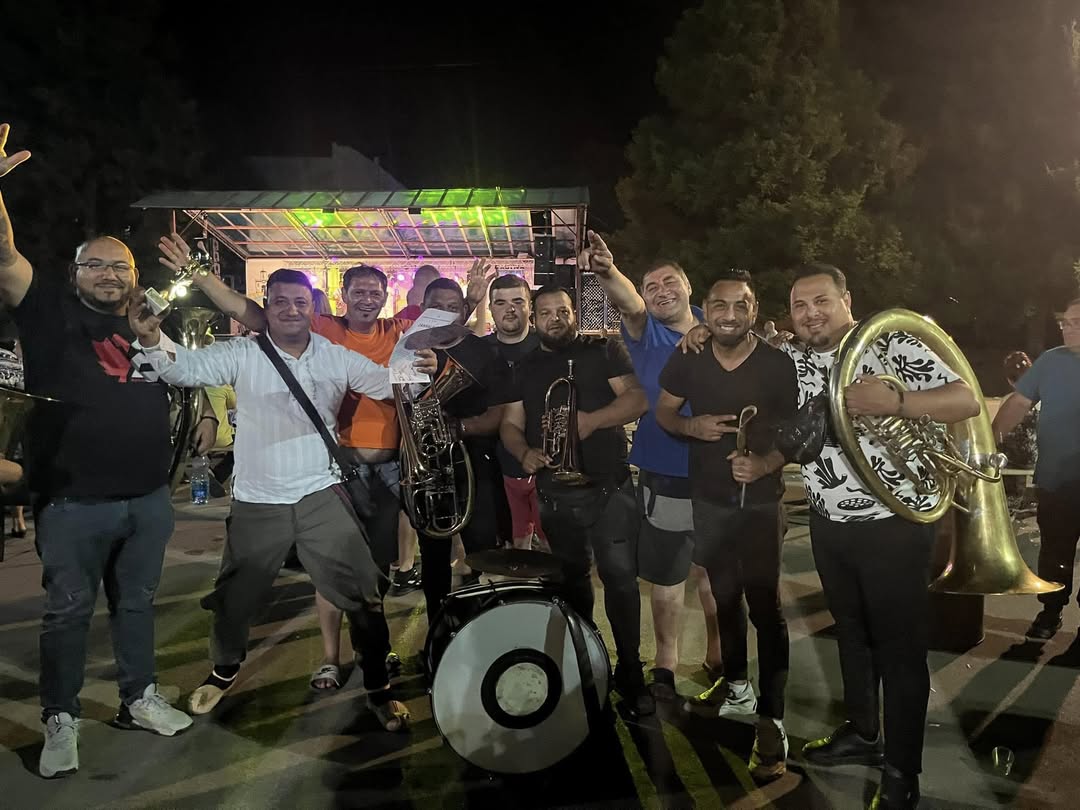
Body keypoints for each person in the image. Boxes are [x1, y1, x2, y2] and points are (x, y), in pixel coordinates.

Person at [128, 267, 434, 732]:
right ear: (266, 307)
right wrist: (152, 339)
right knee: (234, 596)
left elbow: (389, 382)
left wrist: (423, 368)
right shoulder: (243, 353)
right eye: (280, 302)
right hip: (257, 499)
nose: (291, 310)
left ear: (314, 309)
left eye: (300, 302)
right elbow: (184, 368)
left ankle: (377, 685)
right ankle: (225, 668)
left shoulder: (334, 356)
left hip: (319, 492)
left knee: (364, 592)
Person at [0, 123, 192, 779]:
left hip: (148, 498)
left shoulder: (148, 323)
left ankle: (139, 698)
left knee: (136, 607)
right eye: (96, 264)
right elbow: (4, 255)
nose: (109, 274)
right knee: (68, 613)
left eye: (120, 266)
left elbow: (182, 379)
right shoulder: (47, 311)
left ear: (135, 277)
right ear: (74, 272)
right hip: (71, 501)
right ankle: (61, 717)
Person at [784, 263, 979, 809]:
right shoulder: (793, 358)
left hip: (894, 523)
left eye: (821, 301)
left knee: (900, 649)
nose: (811, 314)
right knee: (850, 634)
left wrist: (898, 404)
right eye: (800, 306)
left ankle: (901, 772)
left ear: (847, 300)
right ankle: (863, 733)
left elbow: (965, 399)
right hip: (828, 523)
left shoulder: (888, 342)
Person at [655, 271, 797, 784]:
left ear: (755, 310)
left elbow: (798, 432)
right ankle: (738, 686)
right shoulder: (689, 356)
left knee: (765, 607)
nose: (730, 315)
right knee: (724, 596)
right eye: (720, 305)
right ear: (706, 309)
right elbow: (664, 411)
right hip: (710, 501)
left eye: (741, 305)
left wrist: (766, 464)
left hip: (760, 505)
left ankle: (772, 719)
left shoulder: (777, 364)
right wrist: (689, 426)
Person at [580, 230, 724, 698]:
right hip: (667, 470)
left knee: (716, 573)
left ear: (688, 286)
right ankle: (666, 663)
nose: (661, 291)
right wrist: (608, 271)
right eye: (651, 286)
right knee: (668, 574)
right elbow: (629, 305)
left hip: (722, 471)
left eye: (669, 282)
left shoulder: (719, 326)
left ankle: (719, 655)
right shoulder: (646, 331)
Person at [499, 284, 655, 717]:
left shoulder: (603, 350)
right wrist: (524, 453)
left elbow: (638, 398)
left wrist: (592, 421)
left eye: (563, 311)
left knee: (620, 580)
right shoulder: (524, 367)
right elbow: (511, 423)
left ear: (574, 314)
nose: (556, 319)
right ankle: (586, 658)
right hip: (555, 491)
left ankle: (630, 670)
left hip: (608, 487)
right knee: (572, 582)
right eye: (546, 312)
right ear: (535, 318)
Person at [411, 277, 511, 620]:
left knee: (482, 548)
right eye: (436, 306)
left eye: (452, 308)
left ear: (463, 310)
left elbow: (498, 413)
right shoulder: (409, 348)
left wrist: (458, 427)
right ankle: (438, 624)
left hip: (474, 463)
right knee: (433, 553)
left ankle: (486, 622)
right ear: (423, 309)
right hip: (428, 466)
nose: (444, 313)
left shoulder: (483, 352)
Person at [993, 297, 1080, 642]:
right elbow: (1018, 402)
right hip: (1055, 481)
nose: (1067, 328)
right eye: (1064, 322)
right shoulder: (1050, 361)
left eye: (1076, 322)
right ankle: (1051, 610)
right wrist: (989, 442)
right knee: (1055, 551)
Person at [482, 273, 547, 551]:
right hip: (492, 467)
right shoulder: (480, 351)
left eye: (518, 301)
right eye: (501, 302)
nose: (510, 309)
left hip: (545, 461)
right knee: (511, 544)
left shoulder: (548, 346)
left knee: (552, 541)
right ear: (491, 308)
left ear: (529, 306)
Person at [995, 351, 1039, 514]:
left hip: (1014, 462)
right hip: (1039, 460)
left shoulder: (1009, 401)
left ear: (1010, 380)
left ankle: (1011, 500)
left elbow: (999, 434)